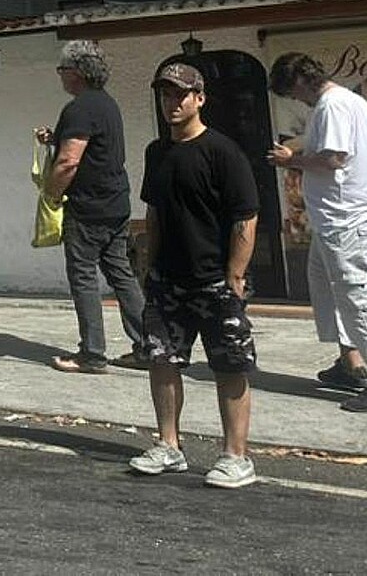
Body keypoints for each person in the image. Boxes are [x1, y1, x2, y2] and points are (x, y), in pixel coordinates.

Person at [128, 63, 261, 488]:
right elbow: (154, 211)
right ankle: (169, 445)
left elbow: (247, 216)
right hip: (169, 280)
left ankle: (235, 455)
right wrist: (150, 265)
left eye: (181, 95)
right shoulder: (157, 152)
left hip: (216, 281)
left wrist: (234, 277)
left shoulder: (222, 151)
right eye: (166, 95)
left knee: (229, 365)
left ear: (200, 99)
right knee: (162, 361)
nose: (173, 103)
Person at [268, 53, 367, 413]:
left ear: (299, 81)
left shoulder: (331, 105)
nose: (297, 100)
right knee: (325, 284)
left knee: (357, 294)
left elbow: (333, 159)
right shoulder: (349, 102)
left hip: (347, 216)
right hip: (337, 216)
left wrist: (289, 161)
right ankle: (350, 362)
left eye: (292, 93)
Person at [37, 40, 146, 375]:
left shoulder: (79, 108)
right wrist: (55, 138)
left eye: (63, 69)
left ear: (78, 72)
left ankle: (92, 353)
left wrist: (51, 195)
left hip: (87, 207)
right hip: (115, 202)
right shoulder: (106, 105)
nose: (60, 75)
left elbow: (69, 162)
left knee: (83, 277)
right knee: (121, 274)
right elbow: (89, 146)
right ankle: (148, 345)